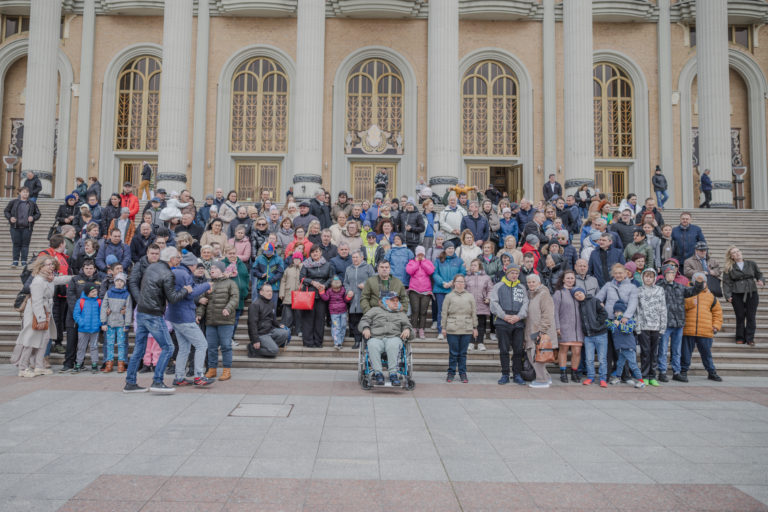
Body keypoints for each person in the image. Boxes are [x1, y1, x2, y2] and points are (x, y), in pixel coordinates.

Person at [124, 247, 192, 393]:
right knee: (168, 347)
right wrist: (186, 290)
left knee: (139, 349)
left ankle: (130, 383)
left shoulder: (152, 266)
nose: (179, 260)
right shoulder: (168, 273)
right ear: (171, 259)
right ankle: (157, 381)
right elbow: (173, 298)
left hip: (141, 311)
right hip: (153, 314)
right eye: (178, 257)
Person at [11, 256, 73, 377]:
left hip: (45, 311)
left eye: (52, 264)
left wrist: (76, 277)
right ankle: (23, 367)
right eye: (49, 264)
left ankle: (39, 366)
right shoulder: (38, 281)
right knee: (30, 339)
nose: (52, 266)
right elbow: (36, 301)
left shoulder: (47, 279)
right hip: (36, 312)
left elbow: (61, 279)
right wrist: (40, 318)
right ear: (41, 266)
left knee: (45, 338)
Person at [166, 252, 213, 386]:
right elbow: (189, 294)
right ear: (192, 265)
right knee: (202, 344)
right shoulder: (184, 274)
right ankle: (199, 376)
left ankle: (179, 377)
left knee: (184, 348)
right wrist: (207, 285)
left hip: (175, 316)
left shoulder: (177, 272)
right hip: (184, 316)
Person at [657, 263, 704, 382]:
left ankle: (676, 371)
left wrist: (698, 283)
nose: (670, 275)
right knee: (662, 349)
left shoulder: (680, 286)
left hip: (679, 322)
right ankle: (662, 371)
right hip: (665, 323)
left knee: (676, 350)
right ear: (664, 274)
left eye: (672, 273)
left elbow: (693, 291)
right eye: (668, 273)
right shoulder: (659, 286)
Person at [195, 260, 238, 382]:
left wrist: (228, 308)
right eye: (211, 267)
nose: (212, 269)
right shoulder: (208, 284)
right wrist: (199, 314)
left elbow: (235, 298)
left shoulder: (231, 283)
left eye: (215, 267)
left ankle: (226, 370)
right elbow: (204, 301)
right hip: (211, 320)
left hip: (225, 320)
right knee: (211, 346)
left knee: (225, 346)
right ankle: (212, 369)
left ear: (221, 270)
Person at [358, 291, 412, 386]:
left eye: (397, 300)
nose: (396, 302)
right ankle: (378, 373)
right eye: (393, 300)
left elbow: (410, 330)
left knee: (392, 344)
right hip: (376, 337)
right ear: (385, 301)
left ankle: (393, 374)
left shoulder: (401, 314)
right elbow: (364, 320)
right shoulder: (375, 310)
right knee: (372, 344)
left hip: (394, 337)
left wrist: (407, 329)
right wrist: (365, 328)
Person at [596, 263, 639, 380]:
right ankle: (607, 374)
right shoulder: (608, 285)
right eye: (616, 273)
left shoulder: (632, 287)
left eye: (621, 273)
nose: (618, 275)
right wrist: (601, 305)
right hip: (609, 320)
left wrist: (626, 317)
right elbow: (598, 297)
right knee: (608, 349)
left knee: (622, 348)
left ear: (626, 274)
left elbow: (633, 303)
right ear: (613, 274)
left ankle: (624, 375)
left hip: (623, 322)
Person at [681, 272, 723, 382]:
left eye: (703, 281)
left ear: (706, 282)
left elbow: (717, 313)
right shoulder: (686, 292)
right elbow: (679, 307)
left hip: (705, 330)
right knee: (685, 353)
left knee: (706, 353)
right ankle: (683, 371)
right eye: (698, 281)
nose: (700, 284)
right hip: (688, 329)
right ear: (693, 282)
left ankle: (711, 372)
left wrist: (716, 326)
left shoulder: (711, 296)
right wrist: (690, 302)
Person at [490, 264, 528, 385]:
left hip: (518, 322)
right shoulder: (498, 286)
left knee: (518, 350)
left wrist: (519, 316)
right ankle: (505, 374)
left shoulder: (522, 287)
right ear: (507, 273)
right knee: (504, 349)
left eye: (516, 273)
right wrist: (504, 316)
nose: (514, 275)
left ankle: (516, 374)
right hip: (502, 322)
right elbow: (494, 303)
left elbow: (526, 304)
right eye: (512, 273)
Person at [722, 246, 764, 346]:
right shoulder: (729, 268)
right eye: (734, 253)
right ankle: (740, 337)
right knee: (740, 316)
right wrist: (728, 295)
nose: (737, 253)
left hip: (751, 292)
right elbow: (726, 283)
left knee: (751, 316)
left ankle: (750, 338)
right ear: (732, 257)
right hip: (736, 294)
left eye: (738, 251)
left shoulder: (751, 264)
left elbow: (759, 274)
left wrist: (761, 280)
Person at [441, 274, 477, 383]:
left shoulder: (470, 296)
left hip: (466, 327)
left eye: (462, 282)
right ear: (454, 283)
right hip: (452, 327)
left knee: (463, 353)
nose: (460, 284)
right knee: (453, 353)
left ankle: (463, 373)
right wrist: (443, 327)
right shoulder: (449, 296)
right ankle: (451, 372)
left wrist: (475, 327)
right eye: (458, 282)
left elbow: (474, 312)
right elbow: (444, 313)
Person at [635, 268, 667, 386]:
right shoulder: (638, 290)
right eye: (646, 276)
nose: (648, 278)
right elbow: (637, 310)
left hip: (656, 326)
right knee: (645, 352)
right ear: (643, 277)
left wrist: (663, 326)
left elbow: (663, 308)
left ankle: (653, 375)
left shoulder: (660, 290)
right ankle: (644, 376)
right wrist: (637, 326)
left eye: (651, 276)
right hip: (643, 326)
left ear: (654, 278)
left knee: (654, 352)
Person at [525, 273, 557, 388]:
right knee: (534, 354)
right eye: (529, 282)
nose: (531, 284)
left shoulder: (543, 294)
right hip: (532, 330)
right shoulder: (531, 295)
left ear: (539, 283)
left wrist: (542, 330)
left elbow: (548, 314)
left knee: (535, 355)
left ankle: (542, 380)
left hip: (539, 331)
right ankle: (546, 378)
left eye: (533, 282)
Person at [298, 245, 333, 347]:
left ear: (320, 253)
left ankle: (318, 342)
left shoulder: (327, 265)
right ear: (310, 254)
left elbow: (331, 278)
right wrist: (312, 282)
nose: (315, 253)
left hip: (322, 295)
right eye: (313, 252)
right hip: (309, 295)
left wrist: (324, 286)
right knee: (308, 319)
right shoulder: (305, 264)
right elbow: (302, 278)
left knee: (320, 319)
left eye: (317, 251)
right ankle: (308, 342)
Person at [574, 287, 609, 386]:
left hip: (600, 334)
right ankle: (590, 377)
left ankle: (603, 378)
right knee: (589, 359)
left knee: (602, 359)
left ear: (584, 292)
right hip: (588, 336)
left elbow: (604, 313)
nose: (578, 295)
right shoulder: (578, 305)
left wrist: (597, 324)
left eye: (580, 293)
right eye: (576, 295)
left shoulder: (594, 301)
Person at [552, 270, 583, 383]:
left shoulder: (579, 292)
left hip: (578, 328)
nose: (570, 280)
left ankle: (574, 372)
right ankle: (563, 373)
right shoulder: (559, 293)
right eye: (568, 278)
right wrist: (557, 326)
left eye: (572, 278)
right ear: (563, 279)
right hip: (564, 326)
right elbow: (554, 311)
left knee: (577, 351)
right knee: (563, 350)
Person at [606, 301, 645, 388]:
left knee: (633, 365)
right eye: (615, 311)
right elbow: (610, 327)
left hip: (629, 347)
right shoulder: (614, 321)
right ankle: (618, 378)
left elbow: (628, 330)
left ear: (624, 312)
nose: (616, 313)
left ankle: (641, 381)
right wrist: (606, 320)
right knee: (620, 364)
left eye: (618, 311)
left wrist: (619, 324)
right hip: (620, 347)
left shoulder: (630, 320)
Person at [432, 241, 466, 340]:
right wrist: (443, 283)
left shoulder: (459, 261)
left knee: (454, 311)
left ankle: (452, 330)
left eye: (452, 248)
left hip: (454, 289)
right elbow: (435, 274)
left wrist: (453, 282)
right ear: (445, 249)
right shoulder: (439, 260)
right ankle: (441, 330)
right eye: (448, 248)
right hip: (440, 289)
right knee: (441, 311)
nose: (450, 250)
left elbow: (462, 273)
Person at [99, 272, 132, 373]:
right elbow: (104, 307)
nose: (119, 283)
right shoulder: (109, 293)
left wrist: (127, 324)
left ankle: (121, 363)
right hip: (110, 323)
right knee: (110, 343)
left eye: (121, 281)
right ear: (114, 282)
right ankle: (109, 363)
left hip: (121, 323)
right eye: (117, 281)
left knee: (121, 344)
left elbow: (129, 309)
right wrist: (103, 322)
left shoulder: (126, 294)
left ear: (124, 283)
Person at [248, 282, 291, 357]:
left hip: (270, 330)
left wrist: (278, 325)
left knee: (285, 333)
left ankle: (269, 345)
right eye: (267, 291)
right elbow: (252, 324)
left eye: (271, 291)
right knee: (274, 351)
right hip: (261, 334)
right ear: (261, 292)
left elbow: (272, 318)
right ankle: (253, 349)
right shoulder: (255, 305)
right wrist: (255, 340)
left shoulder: (271, 303)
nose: (270, 293)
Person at [344, 251, 375, 349]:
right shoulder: (349, 269)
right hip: (353, 301)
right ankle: (357, 341)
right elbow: (345, 282)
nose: (354, 259)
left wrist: (365, 285)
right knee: (354, 321)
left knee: (365, 321)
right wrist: (348, 290)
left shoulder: (368, 267)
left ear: (362, 258)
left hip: (365, 299)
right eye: (353, 257)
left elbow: (374, 280)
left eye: (356, 257)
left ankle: (366, 341)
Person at [5, 187, 41, 267]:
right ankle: (15, 261)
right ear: (20, 193)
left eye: (27, 192)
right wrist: (10, 218)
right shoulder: (13, 202)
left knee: (25, 244)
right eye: (24, 192)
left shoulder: (32, 203)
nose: (26, 194)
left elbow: (38, 214)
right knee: (16, 244)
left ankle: (24, 261)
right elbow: (6, 211)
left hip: (27, 228)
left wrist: (33, 218)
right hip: (15, 227)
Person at [405, 246, 434, 340]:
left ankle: (421, 329)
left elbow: (431, 271)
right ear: (416, 254)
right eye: (419, 254)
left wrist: (423, 262)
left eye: (422, 254)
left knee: (423, 311)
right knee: (415, 310)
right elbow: (409, 271)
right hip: (414, 290)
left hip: (426, 291)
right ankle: (414, 328)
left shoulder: (428, 262)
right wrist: (417, 262)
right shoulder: (412, 262)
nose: (420, 255)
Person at [464, 259, 492, 351]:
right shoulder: (467, 277)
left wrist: (488, 298)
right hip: (469, 305)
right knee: (470, 324)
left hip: (482, 304)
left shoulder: (486, 278)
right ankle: (471, 342)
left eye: (475, 265)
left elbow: (490, 289)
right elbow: (463, 290)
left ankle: (480, 342)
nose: (473, 267)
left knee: (481, 324)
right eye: (471, 265)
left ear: (480, 266)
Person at [320, 276, 350, 349]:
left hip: (343, 312)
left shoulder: (343, 290)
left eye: (338, 288)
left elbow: (346, 300)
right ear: (332, 287)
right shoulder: (329, 291)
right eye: (335, 288)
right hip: (334, 313)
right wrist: (321, 292)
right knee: (336, 327)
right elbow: (326, 298)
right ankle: (337, 343)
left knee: (343, 326)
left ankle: (340, 341)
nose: (336, 290)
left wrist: (349, 297)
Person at [279, 251, 304, 337]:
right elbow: (283, 281)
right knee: (288, 315)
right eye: (295, 259)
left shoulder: (304, 269)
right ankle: (288, 329)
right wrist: (281, 293)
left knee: (298, 314)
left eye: (298, 259)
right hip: (288, 294)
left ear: (301, 260)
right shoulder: (288, 269)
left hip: (299, 296)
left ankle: (299, 330)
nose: (297, 260)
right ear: (293, 260)